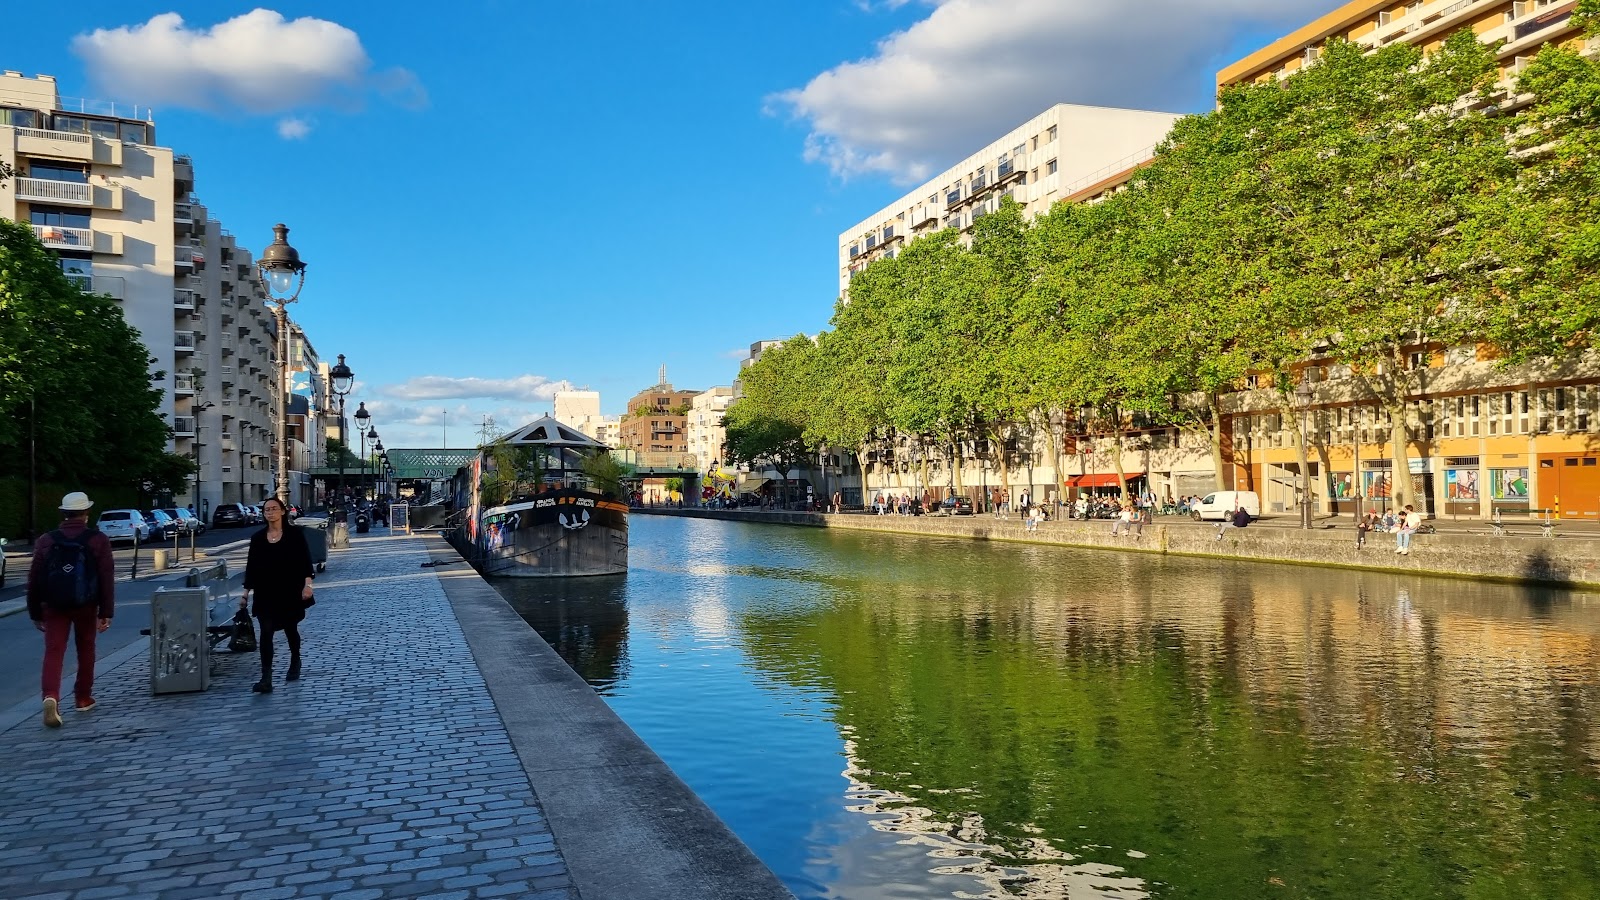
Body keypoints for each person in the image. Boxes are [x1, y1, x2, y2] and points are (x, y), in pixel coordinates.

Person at [27, 492, 115, 728]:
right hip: (86, 604)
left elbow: (34, 579)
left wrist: (35, 612)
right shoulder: (98, 540)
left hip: (54, 605)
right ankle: (83, 698)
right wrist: (105, 612)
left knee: (53, 651)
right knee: (86, 648)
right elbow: (106, 577)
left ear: (63, 513)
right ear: (86, 514)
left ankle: (51, 696)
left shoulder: (46, 540)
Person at [239, 497, 315, 693]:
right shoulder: (257, 538)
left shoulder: (294, 535)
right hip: (265, 592)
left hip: (289, 590)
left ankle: (295, 660)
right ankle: (266, 678)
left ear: (282, 511)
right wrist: (245, 593)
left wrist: (308, 585)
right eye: (266, 510)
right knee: (265, 633)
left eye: (274, 509)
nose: (270, 512)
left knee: (290, 628)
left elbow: (305, 561)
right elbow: (252, 567)